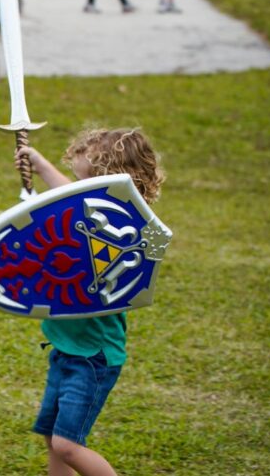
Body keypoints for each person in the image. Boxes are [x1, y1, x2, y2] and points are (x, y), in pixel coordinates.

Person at [16, 128, 165, 476]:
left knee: (68, 445)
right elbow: (71, 197)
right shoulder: (88, 221)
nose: (75, 187)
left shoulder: (120, 239)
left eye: (84, 181)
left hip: (93, 357)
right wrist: (38, 164)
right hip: (67, 348)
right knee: (54, 440)